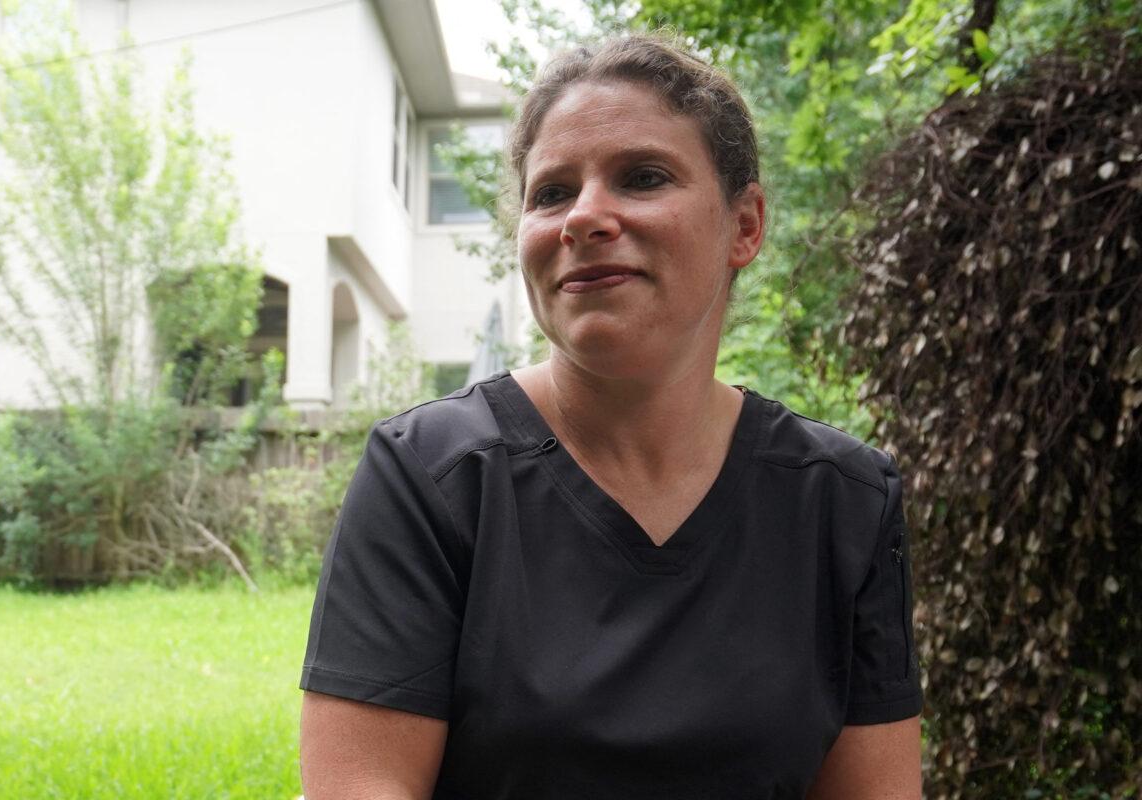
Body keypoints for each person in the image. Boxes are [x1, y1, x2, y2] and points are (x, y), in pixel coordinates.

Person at [299, 33, 923, 800]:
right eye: (552, 192)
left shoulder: (843, 502)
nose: (585, 217)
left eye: (643, 177)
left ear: (746, 225)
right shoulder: (431, 477)